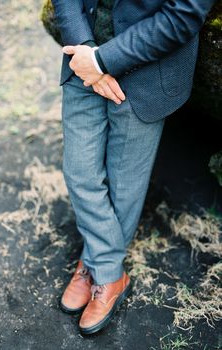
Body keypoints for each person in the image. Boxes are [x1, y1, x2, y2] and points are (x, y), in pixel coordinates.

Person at [51, 0, 215, 335]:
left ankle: (95, 265)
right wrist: (86, 55)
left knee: (124, 182)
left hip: (149, 70)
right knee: (79, 172)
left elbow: (182, 15)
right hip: (81, 57)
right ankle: (110, 269)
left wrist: (102, 61)